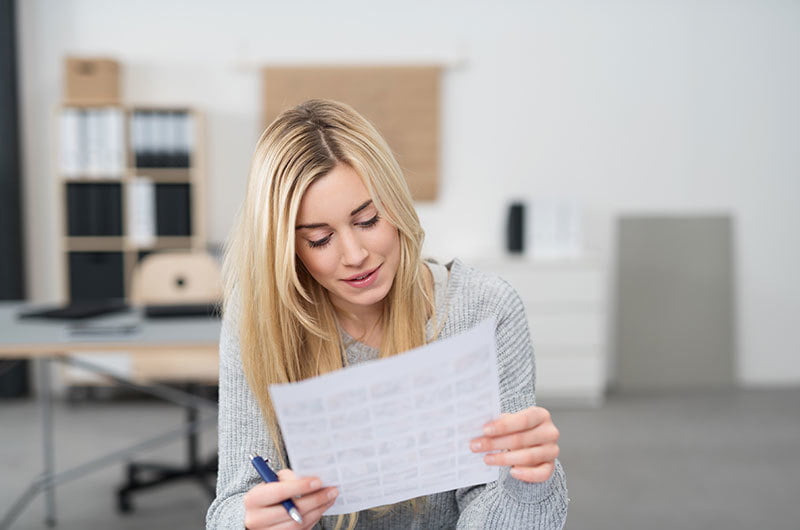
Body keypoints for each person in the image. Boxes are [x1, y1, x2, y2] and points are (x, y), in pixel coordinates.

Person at [206, 99, 568, 529]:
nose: (356, 255)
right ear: (286, 250)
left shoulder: (484, 308)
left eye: (368, 219)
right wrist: (252, 522)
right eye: (320, 240)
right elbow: (233, 500)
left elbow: (499, 508)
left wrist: (527, 481)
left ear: (395, 204)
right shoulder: (259, 318)